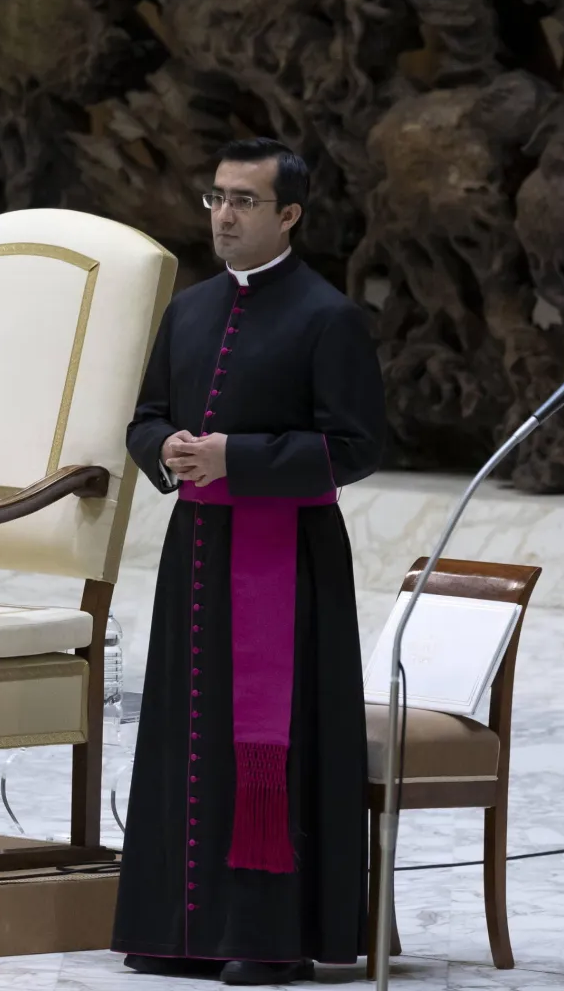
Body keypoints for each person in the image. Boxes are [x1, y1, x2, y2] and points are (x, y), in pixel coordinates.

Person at [111, 138, 386, 984]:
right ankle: (179, 930)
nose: (223, 216)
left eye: (243, 201)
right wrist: (168, 447)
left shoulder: (328, 317)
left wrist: (238, 457)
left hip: (287, 564)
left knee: (269, 743)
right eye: (216, 198)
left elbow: (356, 447)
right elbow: (144, 418)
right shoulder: (190, 310)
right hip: (196, 553)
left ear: (289, 214)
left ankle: (268, 937)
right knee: (186, 738)